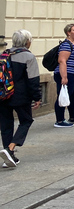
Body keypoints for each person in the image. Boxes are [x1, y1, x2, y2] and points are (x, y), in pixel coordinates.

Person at [0, 30, 42, 167]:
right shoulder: (28, 57)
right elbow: (33, 80)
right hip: (21, 96)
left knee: (6, 125)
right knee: (26, 120)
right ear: (27, 42)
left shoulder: (4, 54)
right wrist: (37, 97)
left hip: (4, 94)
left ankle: (9, 157)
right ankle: (10, 148)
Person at [53, 23, 74, 128]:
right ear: (68, 33)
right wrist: (64, 77)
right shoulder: (66, 44)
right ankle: (60, 120)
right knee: (63, 95)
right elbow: (62, 61)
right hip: (67, 73)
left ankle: (73, 116)